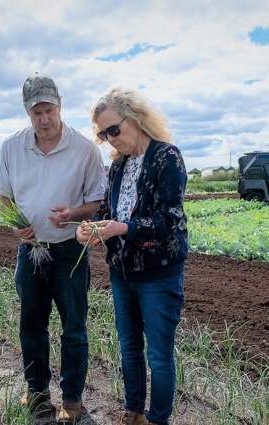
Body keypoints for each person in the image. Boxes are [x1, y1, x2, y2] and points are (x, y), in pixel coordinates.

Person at [0, 73, 106, 423]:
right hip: (31, 251)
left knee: (74, 328)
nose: (44, 118)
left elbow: (97, 201)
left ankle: (72, 400)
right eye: (36, 112)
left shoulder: (85, 149)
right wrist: (14, 222)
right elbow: (1, 197)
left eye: (48, 110)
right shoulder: (12, 148)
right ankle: (37, 394)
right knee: (31, 325)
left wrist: (73, 213)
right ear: (28, 113)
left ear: (60, 106)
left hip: (70, 253)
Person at [76, 87, 187, 425]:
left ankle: (157, 419)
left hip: (158, 274)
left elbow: (170, 219)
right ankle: (133, 412)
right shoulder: (119, 167)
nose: (110, 139)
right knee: (128, 349)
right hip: (122, 274)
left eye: (114, 129)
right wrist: (91, 229)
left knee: (158, 356)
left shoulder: (166, 157)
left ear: (135, 118)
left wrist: (122, 228)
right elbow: (108, 212)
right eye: (103, 134)